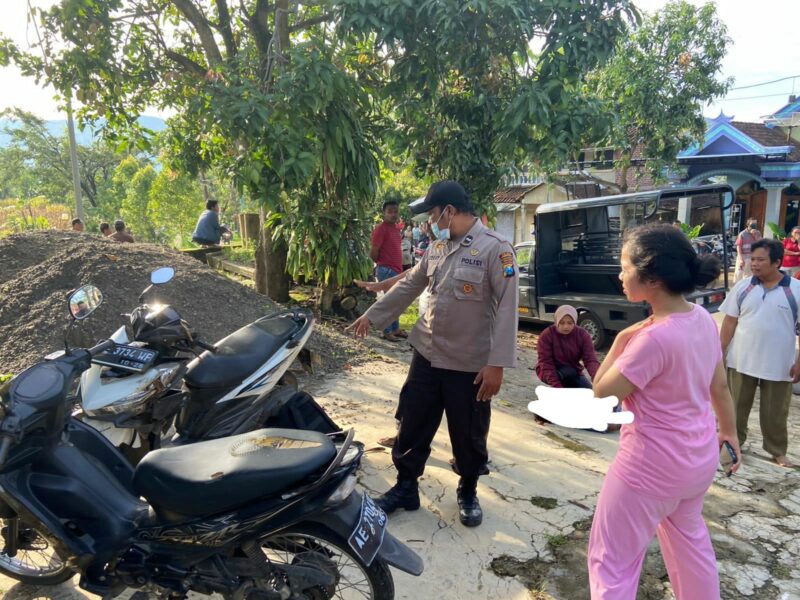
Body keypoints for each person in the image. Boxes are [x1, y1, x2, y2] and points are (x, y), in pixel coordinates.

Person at [349, 180, 518, 527]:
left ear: (449, 211)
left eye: (433, 214)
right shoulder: (438, 247)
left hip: (469, 363)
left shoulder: (496, 250)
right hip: (426, 354)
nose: (431, 221)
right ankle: (406, 486)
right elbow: (412, 283)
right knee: (412, 422)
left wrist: (496, 364)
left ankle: (468, 489)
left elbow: (508, 308)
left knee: (468, 431)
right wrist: (373, 315)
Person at [588, 223, 740, 599]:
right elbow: (719, 387)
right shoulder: (703, 319)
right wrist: (730, 434)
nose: (620, 275)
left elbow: (602, 392)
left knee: (612, 562)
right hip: (697, 461)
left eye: (625, 267)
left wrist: (622, 338)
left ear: (651, 277)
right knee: (691, 549)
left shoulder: (651, 339)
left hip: (648, 469)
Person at [720, 238, 800, 468]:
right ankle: (733, 444)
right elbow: (729, 323)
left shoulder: (795, 290)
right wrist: (719, 352)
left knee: (775, 412)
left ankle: (777, 451)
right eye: (752, 259)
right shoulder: (743, 287)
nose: (753, 264)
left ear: (776, 262)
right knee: (735, 407)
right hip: (741, 360)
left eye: (760, 260)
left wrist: (799, 362)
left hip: (779, 365)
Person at [536, 305, 599, 389]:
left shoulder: (583, 335)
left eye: (570, 323)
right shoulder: (546, 335)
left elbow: (590, 360)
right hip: (549, 370)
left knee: (589, 392)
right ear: (557, 321)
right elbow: (546, 363)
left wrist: (597, 379)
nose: (566, 326)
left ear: (575, 322)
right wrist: (557, 387)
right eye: (562, 323)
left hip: (573, 371)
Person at [370, 200, 406, 341]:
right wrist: (381, 263)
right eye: (390, 211)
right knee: (389, 301)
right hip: (386, 269)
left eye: (395, 211)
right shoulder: (381, 229)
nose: (393, 214)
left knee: (396, 300)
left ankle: (395, 328)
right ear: (384, 213)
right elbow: (373, 252)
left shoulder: (396, 229)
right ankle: (386, 330)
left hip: (396, 270)